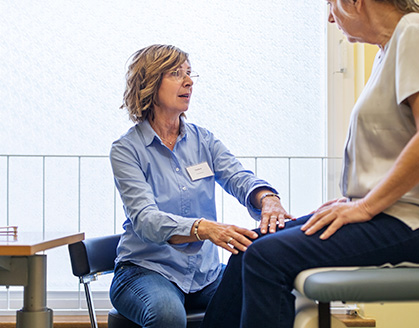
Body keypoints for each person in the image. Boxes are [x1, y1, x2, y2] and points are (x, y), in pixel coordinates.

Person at [201, 0, 419, 328]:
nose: (331, 19)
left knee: (268, 259)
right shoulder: (393, 46)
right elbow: (403, 145)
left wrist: (365, 206)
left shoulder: (415, 33)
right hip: (401, 214)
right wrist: (357, 198)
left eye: (329, 4)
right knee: (251, 246)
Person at [109, 44, 294, 328]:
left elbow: (238, 177)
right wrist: (203, 228)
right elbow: (146, 220)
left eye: (189, 73)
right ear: (149, 84)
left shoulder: (203, 140)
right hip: (146, 271)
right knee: (168, 316)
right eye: (175, 73)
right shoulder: (127, 150)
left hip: (204, 275)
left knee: (272, 294)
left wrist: (268, 198)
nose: (189, 81)